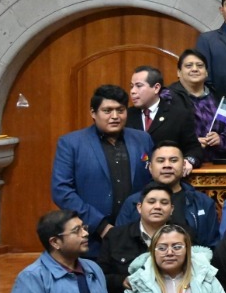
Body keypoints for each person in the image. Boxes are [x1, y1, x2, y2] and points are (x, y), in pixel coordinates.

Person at [50, 84, 153, 253]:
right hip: (92, 238)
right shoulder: (71, 143)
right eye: (107, 111)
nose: (115, 116)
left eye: (120, 110)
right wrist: (100, 225)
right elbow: (61, 191)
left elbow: (151, 182)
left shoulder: (143, 139)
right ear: (93, 113)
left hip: (137, 234)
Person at [115, 143, 220, 248]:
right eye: (160, 161)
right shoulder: (133, 202)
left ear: (184, 165)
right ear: (150, 167)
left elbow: (213, 246)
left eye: (173, 160)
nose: (167, 165)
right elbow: (119, 243)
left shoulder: (203, 202)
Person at [101, 185, 175, 293]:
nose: (157, 206)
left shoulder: (184, 236)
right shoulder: (116, 236)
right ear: (139, 207)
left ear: (171, 209)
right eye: (151, 202)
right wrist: (121, 281)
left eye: (164, 203)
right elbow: (99, 276)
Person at [167, 49, 226, 163]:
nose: (195, 69)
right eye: (189, 66)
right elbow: (164, 133)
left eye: (200, 66)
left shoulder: (219, 97)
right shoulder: (167, 97)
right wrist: (192, 144)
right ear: (179, 72)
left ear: (206, 72)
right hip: (183, 164)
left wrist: (220, 139)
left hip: (219, 165)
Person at [127, 66, 200, 158]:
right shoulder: (127, 115)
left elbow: (194, 149)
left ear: (156, 88)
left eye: (139, 86)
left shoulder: (179, 115)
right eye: (131, 86)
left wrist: (189, 160)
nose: (132, 91)